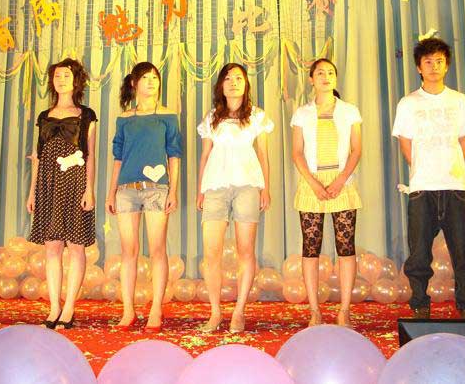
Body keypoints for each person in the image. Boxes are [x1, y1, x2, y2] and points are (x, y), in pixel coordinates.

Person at [392, 38, 465, 319]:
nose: (434, 66)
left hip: (455, 186)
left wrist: (450, 167)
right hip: (422, 187)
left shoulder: (460, 100)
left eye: (439, 61)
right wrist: (423, 168)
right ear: (419, 67)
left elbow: (464, 139)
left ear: (447, 65)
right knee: (419, 253)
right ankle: (420, 303)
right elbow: (405, 143)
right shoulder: (408, 103)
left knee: (462, 252)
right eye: (428, 62)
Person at [197, 63, 273, 333]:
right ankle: (215, 312)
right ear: (221, 85)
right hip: (215, 186)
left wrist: (265, 188)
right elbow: (205, 155)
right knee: (211, 252)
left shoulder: (257, 116)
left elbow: (263, 154)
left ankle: (239, 312)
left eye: (238, 78)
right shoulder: (212, 118)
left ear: (246, 84)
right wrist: (200, 189)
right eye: (228, 78)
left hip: (247, 186)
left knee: (245, 250)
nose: (233, 83)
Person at [106, 62, 181, 332]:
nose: (151, 82)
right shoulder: (124, 119)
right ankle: (128, 310)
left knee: (157, 249)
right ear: (134, 83)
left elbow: (174, 155)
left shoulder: (168, 116)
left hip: (157, 189)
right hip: (126, 189)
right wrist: (111, 192)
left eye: (155, 78)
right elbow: (118, 158)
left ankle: (156, 308)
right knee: (129, 250)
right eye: (145, 77)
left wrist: (173, 190)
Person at [291, 59, 362, 327]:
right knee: (310, 247)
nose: (326, 76)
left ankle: (344, 310)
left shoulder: (350, 111)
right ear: (311, 79)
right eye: (320, 73)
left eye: (330, 72)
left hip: (342, 182)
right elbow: (297, 152)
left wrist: (340, 181)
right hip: (312, 184)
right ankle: (314, 311)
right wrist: (313, 183)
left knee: (346, 245)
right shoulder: (302, 113)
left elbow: (356, 149)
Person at [27, 58, 97, 329]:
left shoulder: (86, 114)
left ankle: (69, 308)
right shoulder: (44, 116)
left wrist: (89, 189)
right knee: (52, 247)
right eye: (57, 76)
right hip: (48, 183)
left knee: (76, 246)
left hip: (75, 182)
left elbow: (90, 155)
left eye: (67, 75)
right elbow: (38, 156)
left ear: (76, 81)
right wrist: (32, 192)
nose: (61, 80)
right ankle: (54, 306)